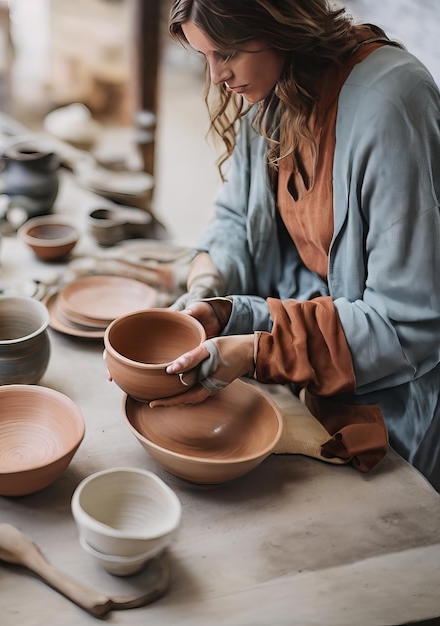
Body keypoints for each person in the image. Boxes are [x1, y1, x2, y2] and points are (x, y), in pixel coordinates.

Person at [150, 0, 440, 491]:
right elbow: (236, 216)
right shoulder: (271, 85)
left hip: (387, 394)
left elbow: (408, 322)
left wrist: (258, 348)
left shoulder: (393, 105)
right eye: (205, 56)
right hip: (299, 356)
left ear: (278, 21)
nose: (218, 76)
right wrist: (209, 288)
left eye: (227, 53)